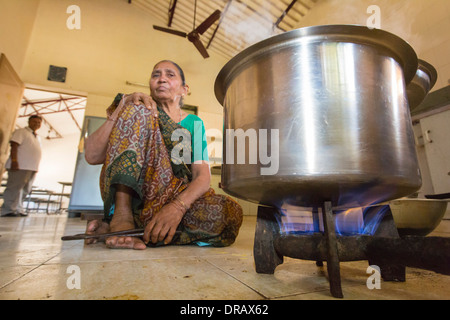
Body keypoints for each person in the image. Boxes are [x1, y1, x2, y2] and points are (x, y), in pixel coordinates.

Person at [84, 60, 243, 249]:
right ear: (150, 85)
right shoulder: (136, 110)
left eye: (170, 74)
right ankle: (122, 216)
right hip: (138, 195)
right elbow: (92, 156)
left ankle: (129, 229)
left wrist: (177, 207)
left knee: (227, 214)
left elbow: (202, 176)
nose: (161, 79)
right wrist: (121, 107)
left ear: (184, 89)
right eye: (156, 74)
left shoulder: (194, 123)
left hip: (172, 197)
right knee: (139, 107)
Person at [1, 115, 43, 217]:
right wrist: (14, 161)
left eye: (38, 122)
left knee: (25, 190)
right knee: (14, 188)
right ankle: (7, 210)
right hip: (20, 166)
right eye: (34, 122)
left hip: (31, 167)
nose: (36, 124)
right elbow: (14, 145)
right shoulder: (21, 132)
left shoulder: (37, 137)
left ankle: (18, 209)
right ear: (29, 121)